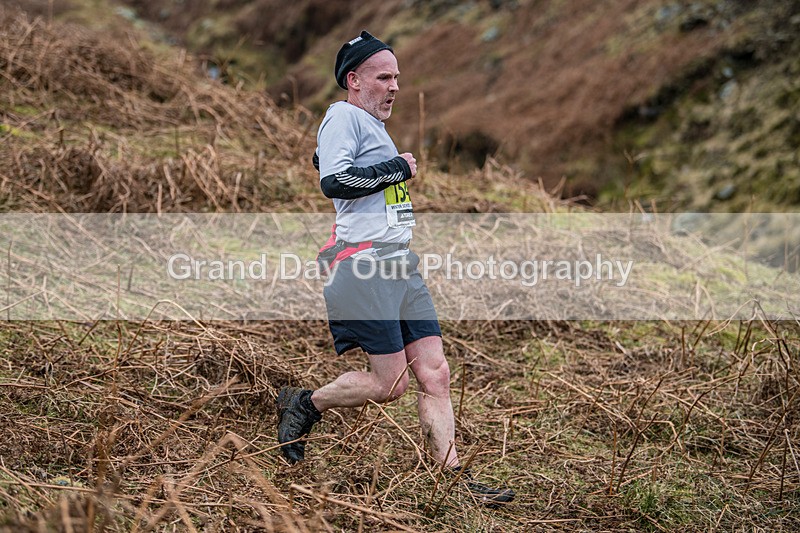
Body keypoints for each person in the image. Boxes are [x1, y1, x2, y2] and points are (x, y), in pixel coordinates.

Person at [276, 30, 514, 506]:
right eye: (384, 77)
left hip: (400, 264)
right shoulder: (343, 115)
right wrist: (398, 169)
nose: (395, 87)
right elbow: (334, 181)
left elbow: (331, 163)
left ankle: (453, 480)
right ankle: (305, 402)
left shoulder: (367, 124)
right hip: (363, 266)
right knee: (390, 385)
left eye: (396, 78)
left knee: (435, 373)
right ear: (354, 80)